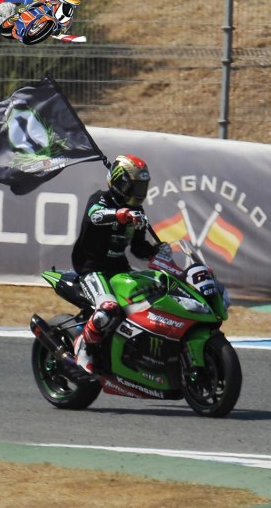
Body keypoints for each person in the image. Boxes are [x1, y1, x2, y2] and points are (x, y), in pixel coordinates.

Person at [70, 154, 164, 375]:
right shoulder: (100, 199)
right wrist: (121, 215)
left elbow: (138, 248)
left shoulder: (138, 212)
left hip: (119, 268)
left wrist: (158, 252)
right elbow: (96, 216)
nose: (140, 192)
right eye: (135, 186)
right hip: (92, 268)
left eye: (143, 186)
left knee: (157, 294)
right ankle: (83, 346)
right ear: (121, 183)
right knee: (108, 308)